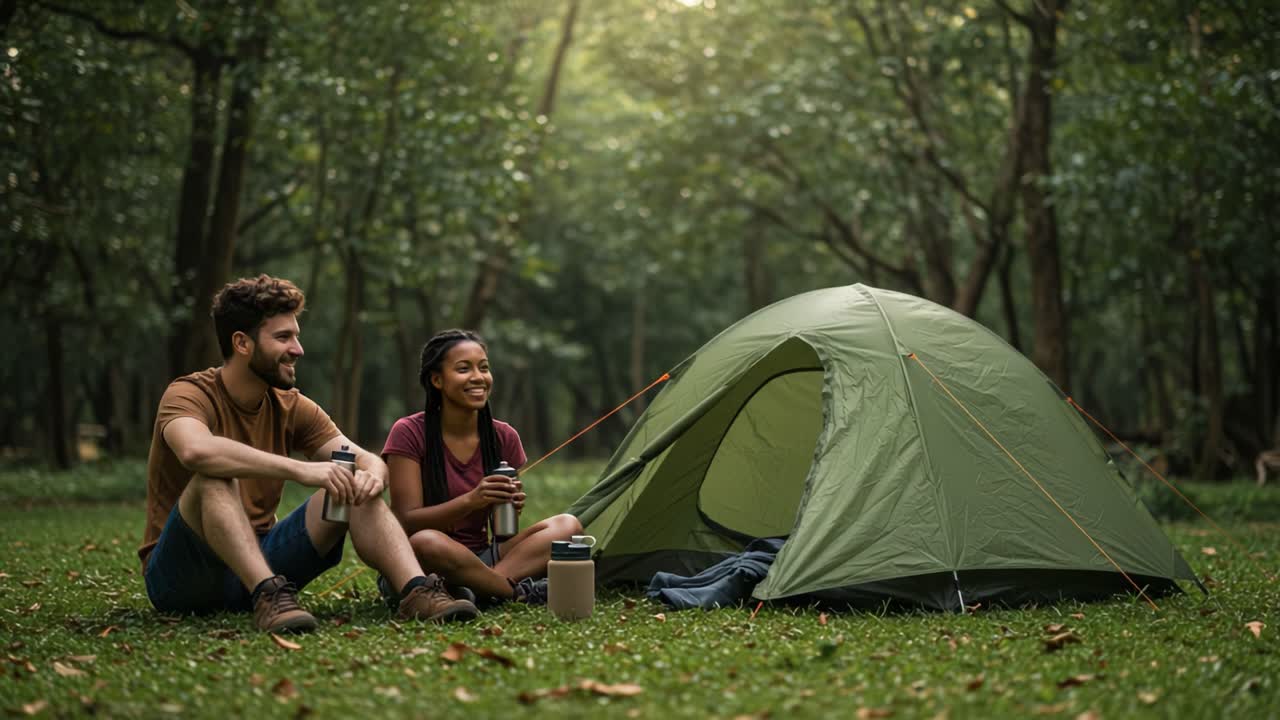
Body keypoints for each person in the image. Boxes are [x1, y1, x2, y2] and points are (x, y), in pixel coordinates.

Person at [139, 275, 478, 633]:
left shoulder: (290, 404)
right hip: (183, 577)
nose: (298, 349)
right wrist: (301, 470)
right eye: (283, 337)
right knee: (213, 477)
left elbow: (366, 459)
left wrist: (372, 476)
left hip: (262, 560)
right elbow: (195, 451)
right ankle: (268, 595)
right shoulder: (189, 394)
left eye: (296, 336)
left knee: (351, 478)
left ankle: (416, 591)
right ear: (242, 343)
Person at [381, 329, 582, 606]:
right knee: (427, 541)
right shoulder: (409, 432)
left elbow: (503, 534)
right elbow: (405, 521)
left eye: (484, 368)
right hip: (419, 563)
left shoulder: (503, 436)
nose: (478, 377)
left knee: (568, 526)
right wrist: (471, 500)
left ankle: (479, 589)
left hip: (482, 557)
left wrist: (507, 506)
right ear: (437, 380)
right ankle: (512, 592)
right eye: (464, 369)